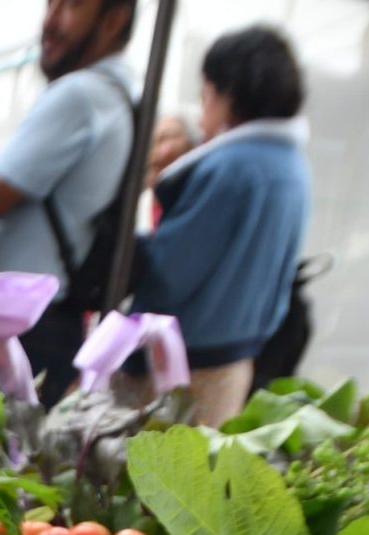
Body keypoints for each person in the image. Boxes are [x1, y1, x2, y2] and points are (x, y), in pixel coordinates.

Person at [0, 0, 137, 403]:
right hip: (44, 328)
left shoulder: (81, 95)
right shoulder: (121, 98)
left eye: (71, 5)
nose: (50, 20)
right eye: (50, 4)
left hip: (11, 333)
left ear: (114, 20)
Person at [123, 25, 310, 425]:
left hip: (178, 369)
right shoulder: (294, 168)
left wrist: (130, 247)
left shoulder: (229, 167)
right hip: (235, 367)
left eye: (206, 97)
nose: (203, 115)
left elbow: (171, 275)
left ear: (229, 96)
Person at [144, 113, 196, 226]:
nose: (156, 148)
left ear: (189, 146)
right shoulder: (142, 205)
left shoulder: (196, 199)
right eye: (154, 140)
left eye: (165, 137)